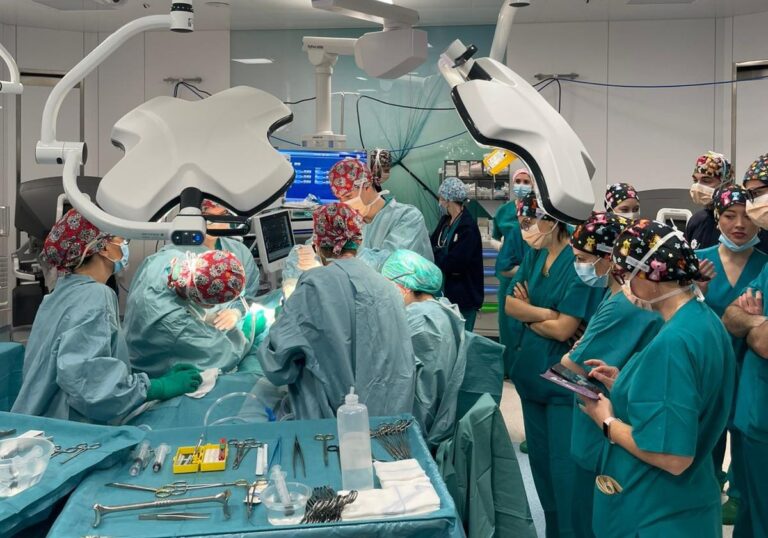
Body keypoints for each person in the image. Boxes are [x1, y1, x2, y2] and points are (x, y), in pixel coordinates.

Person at [582, 220, 735, 538]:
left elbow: (672, 456)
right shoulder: (704, 320)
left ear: (648, 275)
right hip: (691, 502)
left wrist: (607, 422)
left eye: (625, 276)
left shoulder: (673, 343)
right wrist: (626, 383)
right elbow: (688, 395)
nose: (625, 286)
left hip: (657, 511)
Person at [12, 209, 202, 423]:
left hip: (37, 419)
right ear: (102, 247)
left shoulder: (58, 294)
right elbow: (92, 385)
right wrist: (159, 387)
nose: (124, 246)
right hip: (67, 427)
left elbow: (82, 363)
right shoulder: (94, 295)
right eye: (121, 240)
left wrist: (149, 381)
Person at [505, 192, 604, 538]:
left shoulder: (578, 263)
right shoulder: (536, 255)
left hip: (565, 387)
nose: (525, 229)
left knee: (567, 476)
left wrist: (531, 314)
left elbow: (565, 330)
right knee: (542, 471)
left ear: (551, 220)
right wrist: (548, 314)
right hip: (531, 379)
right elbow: (511, 306)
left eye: (529, 221)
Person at [258, 203, 415, 419]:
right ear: (358, 242)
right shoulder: (387, 286)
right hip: (387, 420)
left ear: (317, 246)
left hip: (334, 424)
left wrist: (282, 316)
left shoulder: (315, 285)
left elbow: (278, 367)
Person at [561, 212, 664, 538]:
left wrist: (573, 353)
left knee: (596, 515)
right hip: (607, 414)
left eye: (583, 259)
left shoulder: (624, 305)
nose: (579, 266)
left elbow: (572, 364)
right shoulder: (616, 295)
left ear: (609, 257)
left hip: (606, 419)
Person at [695, 183, 767, 528]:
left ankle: (739, 497)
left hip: (750, 371)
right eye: (729, 215)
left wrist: (748, 322)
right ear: (716, 218)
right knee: (704, 444)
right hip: (707, 371)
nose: (739, 224)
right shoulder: (698, 263)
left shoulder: (764, 266)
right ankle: (704, 496)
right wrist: (695, 292)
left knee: (748, 451)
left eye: (746, 216)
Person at [723, 153, 768, 538]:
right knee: (752, 516)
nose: (752, 208)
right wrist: (754, 322)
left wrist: (752, 325)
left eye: (759, 194)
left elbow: (765, 343)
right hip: (754, 413)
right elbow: (732, 317)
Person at [287, 158, 433, 277]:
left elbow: (391, 265)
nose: (344, 203)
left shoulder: (407, 218)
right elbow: (311, 247)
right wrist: (307, 256)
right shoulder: (343, 219)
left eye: (348, 196)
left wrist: (343, 254)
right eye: (339, 198)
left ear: (367, 186)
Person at [123, 248, 257, 377]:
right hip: (146, 363)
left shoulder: (166, 258)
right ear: (206, 304)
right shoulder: (177, 325)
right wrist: (246, 331)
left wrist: (234, 311)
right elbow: (228, 354)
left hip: (131, 335)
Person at [381, 249, 467, 448]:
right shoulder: (440, 308)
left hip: (420, 425)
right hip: (436, 416)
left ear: (404, 287)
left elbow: (403, 384)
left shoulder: (420, 322)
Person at [431, 177, 484, 330]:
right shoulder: (445, 221)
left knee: (460, 338)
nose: (440, 202)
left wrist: (437, 254)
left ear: (448, 200)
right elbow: (432, 243)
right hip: (446, 292)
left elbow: (456, 264)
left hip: (463, 297)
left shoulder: (467, 227)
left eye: (441, 198)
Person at [492, 169, 532, 373]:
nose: (522, 185)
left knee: (528, 324)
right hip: (509, 277)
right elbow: (494, 237)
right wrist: (502, 247)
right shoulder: (504, 212)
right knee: (507, 325)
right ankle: (508, 368)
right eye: (518, 181)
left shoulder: (536, 211)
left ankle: (524, 367)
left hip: (531, 278)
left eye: (526, 181)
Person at [196, 199, 261, 298]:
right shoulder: (177, 255)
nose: (219, 223)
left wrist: (237, 307)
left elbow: (249, 291)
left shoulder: (240, 251)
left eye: (223, 214)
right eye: (211, 218)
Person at [685, 151, 735, 249]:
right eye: (695, 180)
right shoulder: (697, 220)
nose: (698, 186)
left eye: (706, 180)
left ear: (727, 184)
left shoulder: (739, 221)